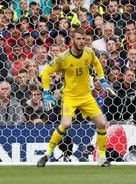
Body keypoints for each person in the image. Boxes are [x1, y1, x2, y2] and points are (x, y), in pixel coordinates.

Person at [37, 28, 115, 167]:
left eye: (83, 39)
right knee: (66, 124)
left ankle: (102, 158)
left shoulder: (89, 52)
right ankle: (47, 154)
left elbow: (97, 63)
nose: (81, 41)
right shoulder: (63, 57)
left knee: (102, 124)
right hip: (70, 96)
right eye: (78, 39)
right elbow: (47, 72)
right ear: (72, 40)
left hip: (86, 96)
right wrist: (46, 92)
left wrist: (103, 80)